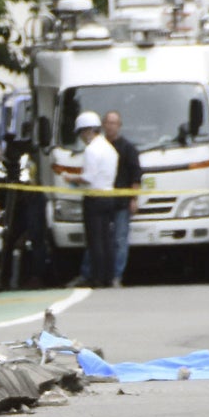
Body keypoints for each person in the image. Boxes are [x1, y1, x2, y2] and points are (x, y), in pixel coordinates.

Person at [66, 111, 118, 288]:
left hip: (94, 197)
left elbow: (88, 177)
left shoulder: (91, 150)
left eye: (81, 132)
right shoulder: (110, 148)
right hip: (109, 195)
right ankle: (109, 276)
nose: (81, 137)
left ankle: (97, 277)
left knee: (95, 240)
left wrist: (71, 178)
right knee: (107, 239)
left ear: (88, 131)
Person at [103, 111, 142, 287]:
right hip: (102, 201)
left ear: (119, 126)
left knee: (120, 239)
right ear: (103, 125)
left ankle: (116, 275)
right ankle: (94, 273)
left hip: (121, 202)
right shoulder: (99, 147)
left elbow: (136, 176)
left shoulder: (128, 148)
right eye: (108, 122)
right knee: (100, 238)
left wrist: (133, 199)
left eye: (114, 123)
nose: (110, 126)